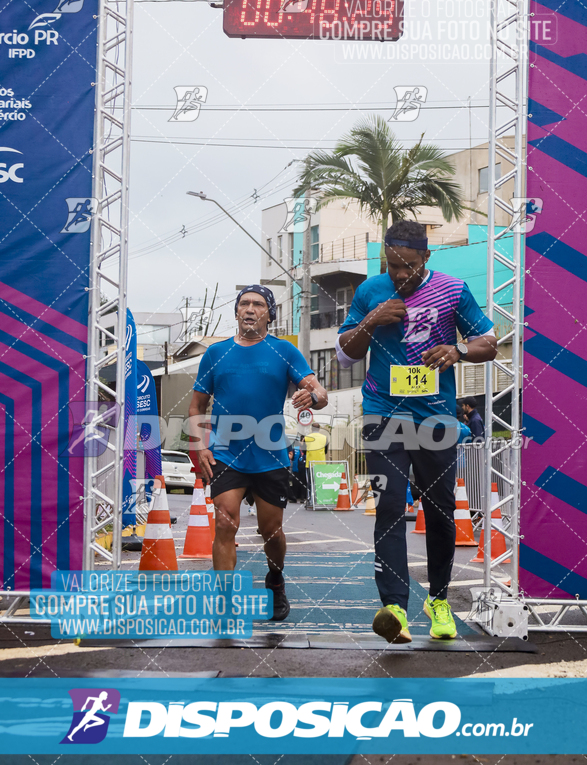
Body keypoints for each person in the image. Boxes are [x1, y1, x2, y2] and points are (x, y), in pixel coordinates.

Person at [336, 220, 497, 643]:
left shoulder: (453, 290)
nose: (400, 275)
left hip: (436, 417)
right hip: (383, 413)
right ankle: (394, 607)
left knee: (441, 511)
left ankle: (438, 600)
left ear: (426, 257)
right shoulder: (372, 290)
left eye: (408, 266)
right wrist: (371, 320)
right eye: (393, 266)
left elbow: (490, 342)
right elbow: (344, 355)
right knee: (389, 506)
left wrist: (457, 350)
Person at [188, 284, 327, 621]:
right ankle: (224, 601)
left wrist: (314, 396)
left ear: (270, 314)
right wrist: (199, 444)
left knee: (271, 531)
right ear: (236, 312)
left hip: (269, 453)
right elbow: (196, 406)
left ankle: (275, 579)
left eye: (258, 304)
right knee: (225, 522)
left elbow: (319, 393)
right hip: (226, 453)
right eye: (244, 304)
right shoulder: (215, 353)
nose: (250, 309)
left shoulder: (284, 351)